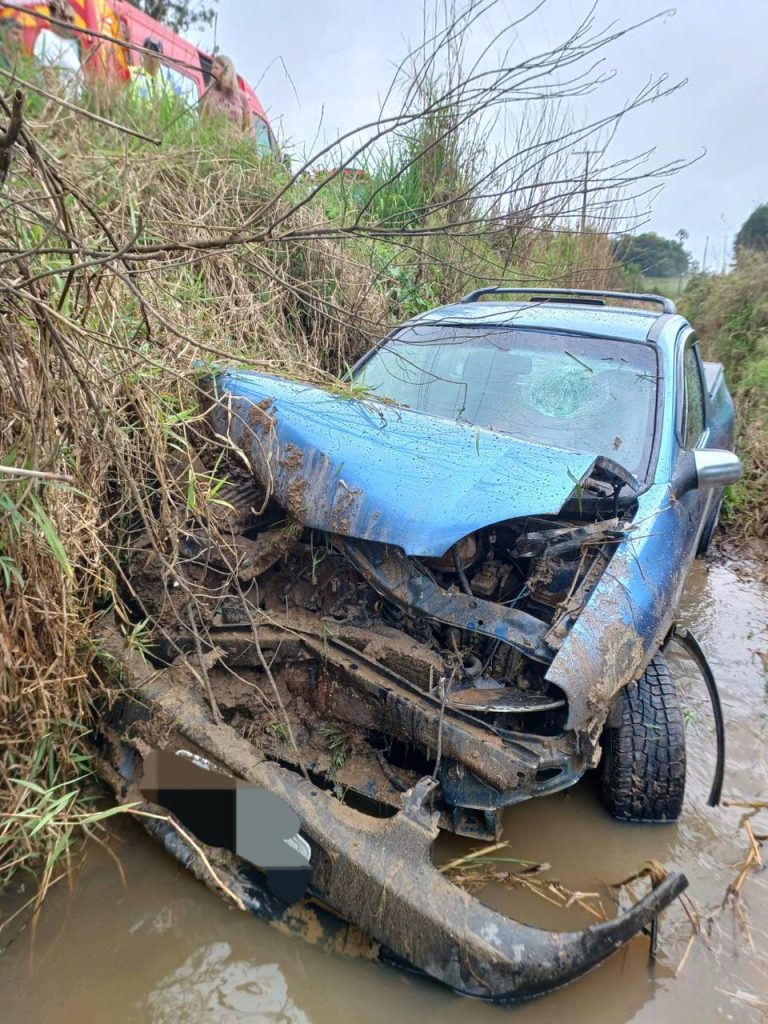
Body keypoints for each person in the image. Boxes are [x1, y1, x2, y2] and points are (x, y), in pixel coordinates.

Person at [32, 1, 82, 94]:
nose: (67, 22)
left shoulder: (71, 44)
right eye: (63, 17)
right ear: (52, 17)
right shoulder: (46, 39)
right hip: (60, 104)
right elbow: (49, 79)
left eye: (71, 19)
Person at [200, 55, 249, 132]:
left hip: (234, 142)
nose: (212, 71)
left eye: (216, 68)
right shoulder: (208, 92)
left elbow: (249, 129)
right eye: (212, 68)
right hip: (212, 140)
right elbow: (201, 121)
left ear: (227, 71)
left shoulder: (242, 97)